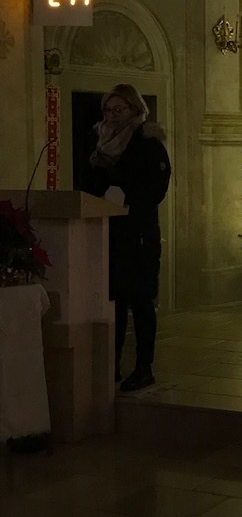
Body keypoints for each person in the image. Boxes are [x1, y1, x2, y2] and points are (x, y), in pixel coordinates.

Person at [84, 84, 171, 392]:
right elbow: (91, 184)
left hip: (139, 232)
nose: (111, 116)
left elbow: (158, 186)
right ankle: (112, 365)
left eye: (118, 110)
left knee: (141, 300)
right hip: (110, 231)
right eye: (108, 110)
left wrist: (126, 197)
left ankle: (144, 368)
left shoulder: (147, 141)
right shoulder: (101, 142)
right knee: (116, 302)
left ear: (134, 109)